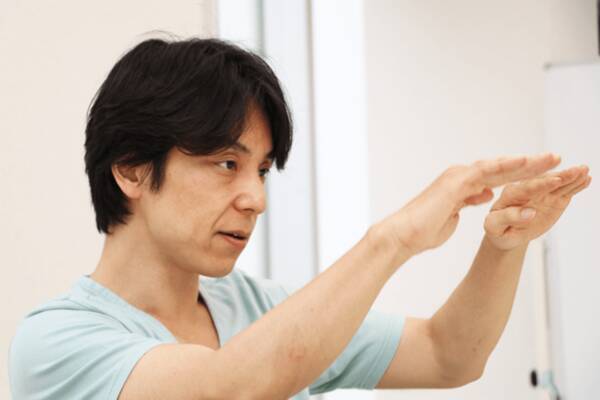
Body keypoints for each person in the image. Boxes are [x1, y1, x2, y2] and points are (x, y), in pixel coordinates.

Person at [8, 37, 591, 400]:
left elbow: (449, 355)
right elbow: (228, 388)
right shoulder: (57, 342)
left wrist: (504, 245)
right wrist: (392, 240)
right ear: (132, 170)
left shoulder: (260, 308)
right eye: (227, 163)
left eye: (262, 170)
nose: (255, 198)